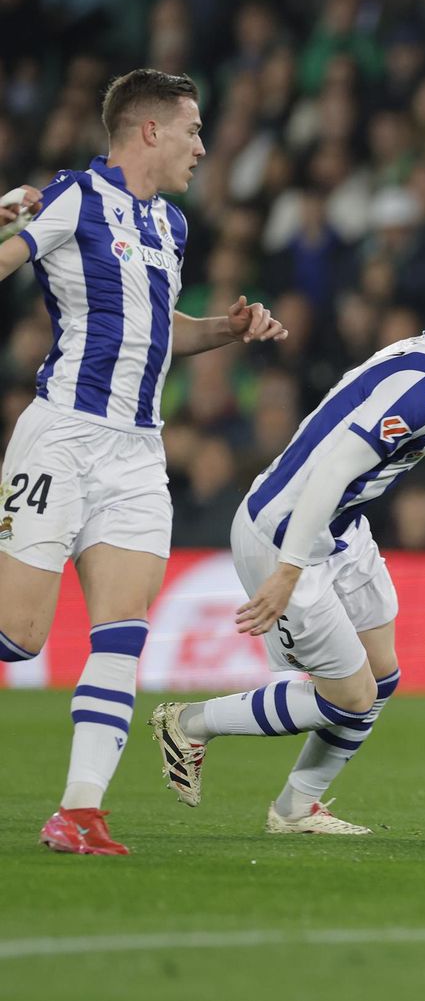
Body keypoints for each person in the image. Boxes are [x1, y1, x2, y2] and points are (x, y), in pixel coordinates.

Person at [148, 258, 425, 834]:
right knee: (349, 695)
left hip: (339, 528)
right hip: (287, 531)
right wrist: (287, 571)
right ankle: (190, 722)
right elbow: (332, 471)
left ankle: (297, 807)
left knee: (380, 675)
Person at [0, 69, 285, 856]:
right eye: (193, 130)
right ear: (149, 130)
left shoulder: (173, 227)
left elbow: (162, 332)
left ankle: (80, 811)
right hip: (63, 435)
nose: (203, 145)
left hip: (136, 452)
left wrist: (226, 329)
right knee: (18, 638)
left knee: (121, 634)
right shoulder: (72, 197)